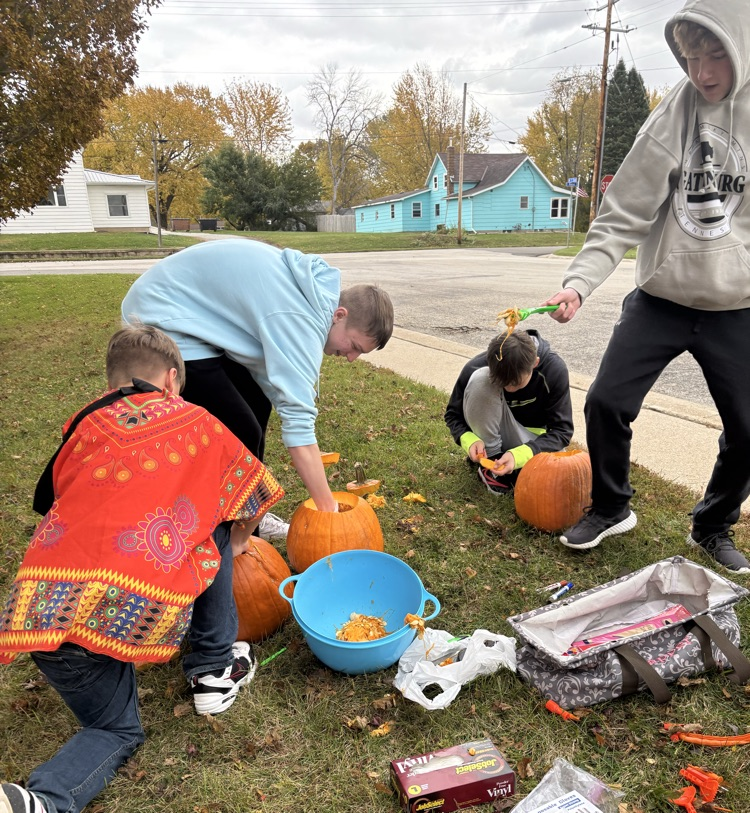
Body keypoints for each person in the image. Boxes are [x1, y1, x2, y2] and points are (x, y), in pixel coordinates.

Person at [0, 325, 284, 813]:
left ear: (110, 383)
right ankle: (213, 671)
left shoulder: (84, 424)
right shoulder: (196, 421)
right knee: (117, 731)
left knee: (101, 711)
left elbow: (47, 498)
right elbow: (254, 490)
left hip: (42, 616)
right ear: (173, 380)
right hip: (123, 607)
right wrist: (236, 541)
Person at [544, 0, 750, 574]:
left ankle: (712, 524)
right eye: (690, 58)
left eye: (715, 55)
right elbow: (621, 215)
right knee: (607, 401)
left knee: (749, 429)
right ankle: (611, 506)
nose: (702, 72)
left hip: (737, 308)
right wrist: (579, 284)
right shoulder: (669, 119)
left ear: (741, 47)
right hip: (660, 298)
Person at [121, 238, 393, 528]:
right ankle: (224, 530)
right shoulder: (300, 318)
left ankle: (246, 512)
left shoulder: (313, 298)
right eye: (354, 346)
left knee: (257, 401)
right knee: (241, 430)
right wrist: (327, 510)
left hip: (197, 317)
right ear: (340, 315)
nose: (351, 357)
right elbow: (298, 430)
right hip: (162, 317)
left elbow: (276, 383)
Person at [445, 329, 573, 494]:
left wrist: (518, 455)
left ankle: (514, 465)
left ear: (535, 363)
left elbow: (562, 431)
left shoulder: (554, 370)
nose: (509, 389)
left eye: (516, 383)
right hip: (492, 438)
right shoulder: (476, 366)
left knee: (560, 476)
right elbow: (452, 415)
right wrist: (470, 441)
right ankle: (491, 463)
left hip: (531, 440)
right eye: (502, 383)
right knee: (480, 379)